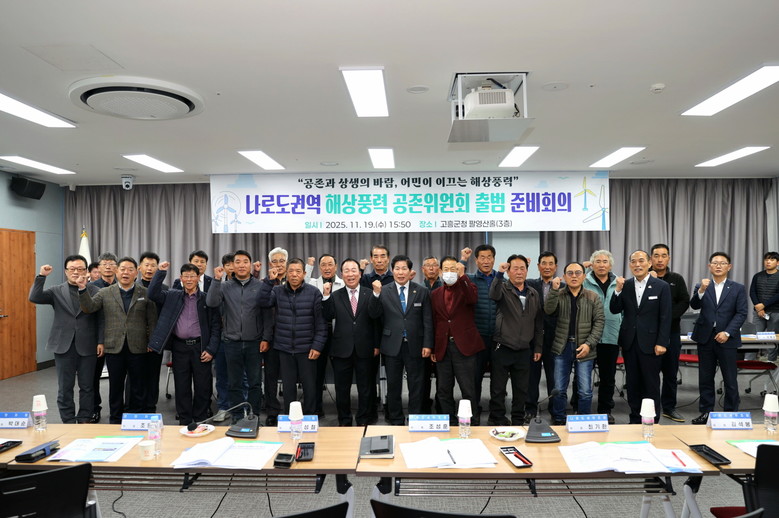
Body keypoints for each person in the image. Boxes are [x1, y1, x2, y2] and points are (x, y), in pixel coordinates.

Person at [78, 257, 158, 424]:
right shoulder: (105, 292)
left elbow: (151, 320)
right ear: (116, 271)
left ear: (136, 272)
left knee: (138, 385)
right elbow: (89, 308)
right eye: (122, 269)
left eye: (130, 269)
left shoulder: (145, 292)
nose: (125, 272)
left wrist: (152, 341)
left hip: (138, 346)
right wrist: (82, 289)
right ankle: (115, 419)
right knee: (115, 386)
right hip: (114, 346)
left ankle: (136, 418)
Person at [28, 255, 101, 423]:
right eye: (72, 269)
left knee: (87, 386)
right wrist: (41, 276)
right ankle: (67, 420)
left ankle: (84, 419)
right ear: (66, 271)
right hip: (63, 345)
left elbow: (101, 319)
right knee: (65, 387)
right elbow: (34, 297)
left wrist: (101, 341)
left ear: (86, 271)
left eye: (80, 269)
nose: (76, 272)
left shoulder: (95, 291)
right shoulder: (56, 290)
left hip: (88, 345)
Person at [147, 262, 221, 425]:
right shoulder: (172, 295)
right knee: (181, 386)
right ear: (180, 278)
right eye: (185, 276)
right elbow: (152, 294)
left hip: (201, 347)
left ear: (198, 278)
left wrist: (211, 349)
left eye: (192, 276)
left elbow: (216, 326)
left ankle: (200, 419)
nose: (189, 279)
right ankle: (185, 420)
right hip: (179, 347)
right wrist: (160, 272)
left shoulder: (206, 299)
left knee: (203, 386)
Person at [206, 250, 272, 423]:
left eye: (245, 261)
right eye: (238, 262)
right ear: (232, 266)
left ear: (250, 265)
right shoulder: (225, 286)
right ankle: (236, 416)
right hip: (231, 342)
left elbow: (267, 315)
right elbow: (211, 302)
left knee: (255, 383)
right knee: (234, 383)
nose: (241, 265)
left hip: (254, 342)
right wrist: (216, 280)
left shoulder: (260, 286)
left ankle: (254, 416)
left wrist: (266, 338)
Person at [369, 254, 433, 425]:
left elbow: (427, 320)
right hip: (391, 345)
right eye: (397, 268)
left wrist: (428, 344)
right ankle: (396, 418)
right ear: (392, 270)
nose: (400, 272)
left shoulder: (421, 291)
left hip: (416, 345)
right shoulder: (384, 290)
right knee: (393, 384)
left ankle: (415, 418)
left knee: (416, 385)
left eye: (404, 268)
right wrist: (375, 295)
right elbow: (373, 314)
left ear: (410, 271)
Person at [259, 258, 327, 416]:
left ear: (304, 274)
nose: (294, 275)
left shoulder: (313, 292)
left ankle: (310, 418)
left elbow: (321, 323)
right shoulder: (277, 291)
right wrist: (269, 282)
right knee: (288, 388)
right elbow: (262, 302)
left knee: (310, 387)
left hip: (307, 349)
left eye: (298, 271)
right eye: (291, 271)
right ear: (286, 273)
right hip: (284, 348)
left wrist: (317, 346)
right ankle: (291, 418)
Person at [609, 250, 671, 424]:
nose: (637, 264)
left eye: (641, 261)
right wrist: (617, 290)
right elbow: (614, 309)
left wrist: (662, 342)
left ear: (649, 263)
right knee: (633, 383)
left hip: (651, 343)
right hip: (630, 342)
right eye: (633, 261)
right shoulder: (626, 285)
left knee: (650, 383)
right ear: (630, 265)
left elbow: (665, 317)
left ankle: (652, 420)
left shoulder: (661, 286)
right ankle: (635, 418)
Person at [690, 252, 748, 425]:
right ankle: (706, 412)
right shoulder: (702, 285)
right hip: (705, 338)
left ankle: (731, 414)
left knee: (730, 378)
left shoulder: (737, 288)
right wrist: (701, 291)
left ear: (729, 267)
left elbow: (741, 313)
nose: (718, 266)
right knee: (705, 378)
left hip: (727, 339)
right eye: (715, 263)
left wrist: (727, 332)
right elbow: (694, 305)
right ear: (709, 266)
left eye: (722, 263)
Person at [544, 262, 604, 425]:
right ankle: (559, 419)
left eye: (578, 273)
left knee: (585, 390)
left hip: (584, 348)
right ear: (564, 277)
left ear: (584, 276)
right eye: (570, 273)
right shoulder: (558, 294)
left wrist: (589, 344)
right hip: (562, 347)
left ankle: (583, 421)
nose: (574, 276)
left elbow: (599, 322)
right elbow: (548, 310)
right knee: (559, 388)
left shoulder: (592, 296)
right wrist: (554, 290)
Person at [322, 258, 380, 426]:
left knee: (365, 387)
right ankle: (344, 420)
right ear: (342, 274)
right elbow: (328, 316)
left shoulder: (370, 293)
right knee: (342, 389)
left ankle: (363, 419)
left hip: (365, 348)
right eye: (346, 271)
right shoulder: (335, 295)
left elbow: (376, 317)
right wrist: (326, 296)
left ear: (360, 274)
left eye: (354, 270)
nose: (350, 274)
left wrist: (377, 295)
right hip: (341, 350)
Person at [488, 254, 543, 426]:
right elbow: (493, 294)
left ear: (527, 271)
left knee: (521, 388)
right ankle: (497, 417)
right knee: (498, 388)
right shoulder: (503, 288)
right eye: (515, 269)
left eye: (522, 268)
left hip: (524, 348)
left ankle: (518, 419)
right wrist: (499, 274)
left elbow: (538, 323)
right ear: (509, 271)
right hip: (503, 346)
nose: (519, 272)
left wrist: (538, 347)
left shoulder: (533, 293)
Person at [430, 256, 484, 425]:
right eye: (446, 269)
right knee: (443, 389)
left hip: (464, 347)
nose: (449, 272)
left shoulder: (468, 287)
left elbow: (472, 299)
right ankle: (449, 421)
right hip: (443, 347)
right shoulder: (435, 294)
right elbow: (434, 322)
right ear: (440, 271)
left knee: (468, 388)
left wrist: (462, 277)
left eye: (453, 269)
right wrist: (433, 348)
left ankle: (472, 421)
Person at [649, 243, 690, 422]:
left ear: (669, 258)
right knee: (649, 373)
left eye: (663, 256)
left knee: (670, 372)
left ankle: (669, 407)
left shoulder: (676, 279)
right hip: (649, 333)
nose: (660, 259)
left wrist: (666, 317)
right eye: (656, 256)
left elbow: (684, 301)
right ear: (651, 258)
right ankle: (650, 407)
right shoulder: (643, 278)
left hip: (671, 332)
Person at [582, 250, 622, 424]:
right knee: (582, 376)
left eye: (605, 261)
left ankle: (605, 410)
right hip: (587, 337)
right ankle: (580, 407)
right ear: (592, 265)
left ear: (610, 265)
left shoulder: (619, 283)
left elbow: (625, 310)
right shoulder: (584, 281)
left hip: (611, 337)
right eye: (597, 261)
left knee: (608, 377)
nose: (601, 265)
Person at [460, 244, 498, 421]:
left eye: (489, 257)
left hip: (498, 338)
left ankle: (496, 415)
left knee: (498, 380)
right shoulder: (470, 279)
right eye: (482, 257)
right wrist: (463, 260)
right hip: (476, 337)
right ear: (476, 260)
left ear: (494, 259)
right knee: (474, 379)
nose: (486, 261)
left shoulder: (501, 279)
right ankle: (473, 415)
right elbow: (456, 277)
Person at [525, 251, 560, 423]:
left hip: (555, 339)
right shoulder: (530, 284)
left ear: (556, 267)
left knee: (554, 377)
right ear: (538, 266)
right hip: (533, 338)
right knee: (532, 376)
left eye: (550, 263)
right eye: (544, 263)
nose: (547, 267)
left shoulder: (562, 286)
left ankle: (555, 410)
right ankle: (530, 408)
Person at [308, 253, 344, 417]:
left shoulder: (343, 284)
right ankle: (316, 407)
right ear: (319, 267)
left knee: (340, 374)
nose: (327, 268)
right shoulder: (313, 284)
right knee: (316, 374)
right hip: (318, 334)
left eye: (330, 264)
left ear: (336, 267)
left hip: (338, 334)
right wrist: (308, 266)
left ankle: (342, 410)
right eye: (323, 265)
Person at [87, 251, 118, 423]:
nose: (108, 267)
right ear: (98, 267)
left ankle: (118, 411)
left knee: (117, 378)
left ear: (116, 267)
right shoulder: (91, 287)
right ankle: (94, 409)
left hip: (118, 339)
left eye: (111, 263)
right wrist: (100, 340)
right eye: (104, 264)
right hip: (97, 339)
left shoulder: (123, 284)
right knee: (93, 377)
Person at [136, 251, 168, 412]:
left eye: (153, 265)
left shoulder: (165, 289)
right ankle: (135, 407)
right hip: (135, 340)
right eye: (146, 265)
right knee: (135, 375)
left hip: (156, 340)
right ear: (139, 267)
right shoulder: (132, 287)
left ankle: (150, 407)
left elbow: (165, 317)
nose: (149, 269)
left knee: (153, 375)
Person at [749, 251, 779, 361]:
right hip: (758, 312)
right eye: (766, 259)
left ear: (777, 262)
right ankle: (749, 360)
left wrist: (764, 305)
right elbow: (752, 292)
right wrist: (758, 307)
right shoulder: (757, 276)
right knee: (753, 337)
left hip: (775, 312)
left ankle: (772, 361)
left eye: (772, 259)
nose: (768, 262)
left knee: (773, 338)